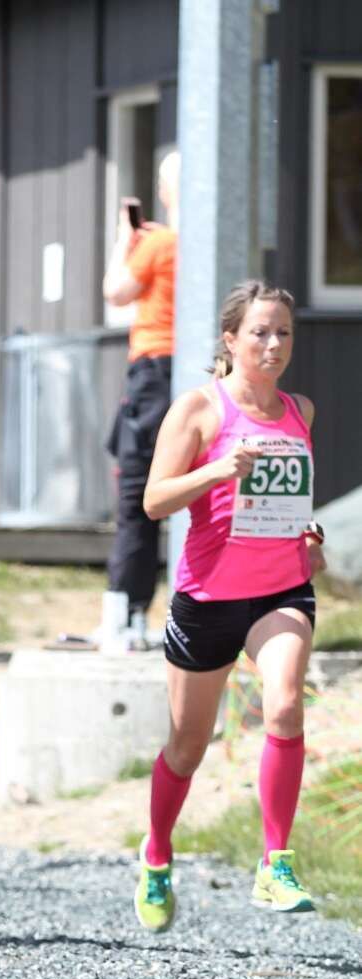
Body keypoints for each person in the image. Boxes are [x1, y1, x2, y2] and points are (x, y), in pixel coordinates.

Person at [134, 280, 322, 930]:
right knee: (187, 747)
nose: (273, 345)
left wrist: (309, 538)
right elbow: (153, 501)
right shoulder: (198, 409)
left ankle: (275, 863)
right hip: (208, 596)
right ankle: (157, 854)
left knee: (285, 704)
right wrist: (216, 470)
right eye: (260, 333)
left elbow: (293, 501)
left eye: (283, 333)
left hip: (281, 588)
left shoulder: (299, 410)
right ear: (230, 339)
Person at [101, 151, 180, 641]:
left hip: (152, 371)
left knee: (136, 491)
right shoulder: (208, 243)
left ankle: (124, 611)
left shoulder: (160, 243)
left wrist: (123, 240)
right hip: (190, 370)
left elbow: (115, 291)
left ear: (168, 192)